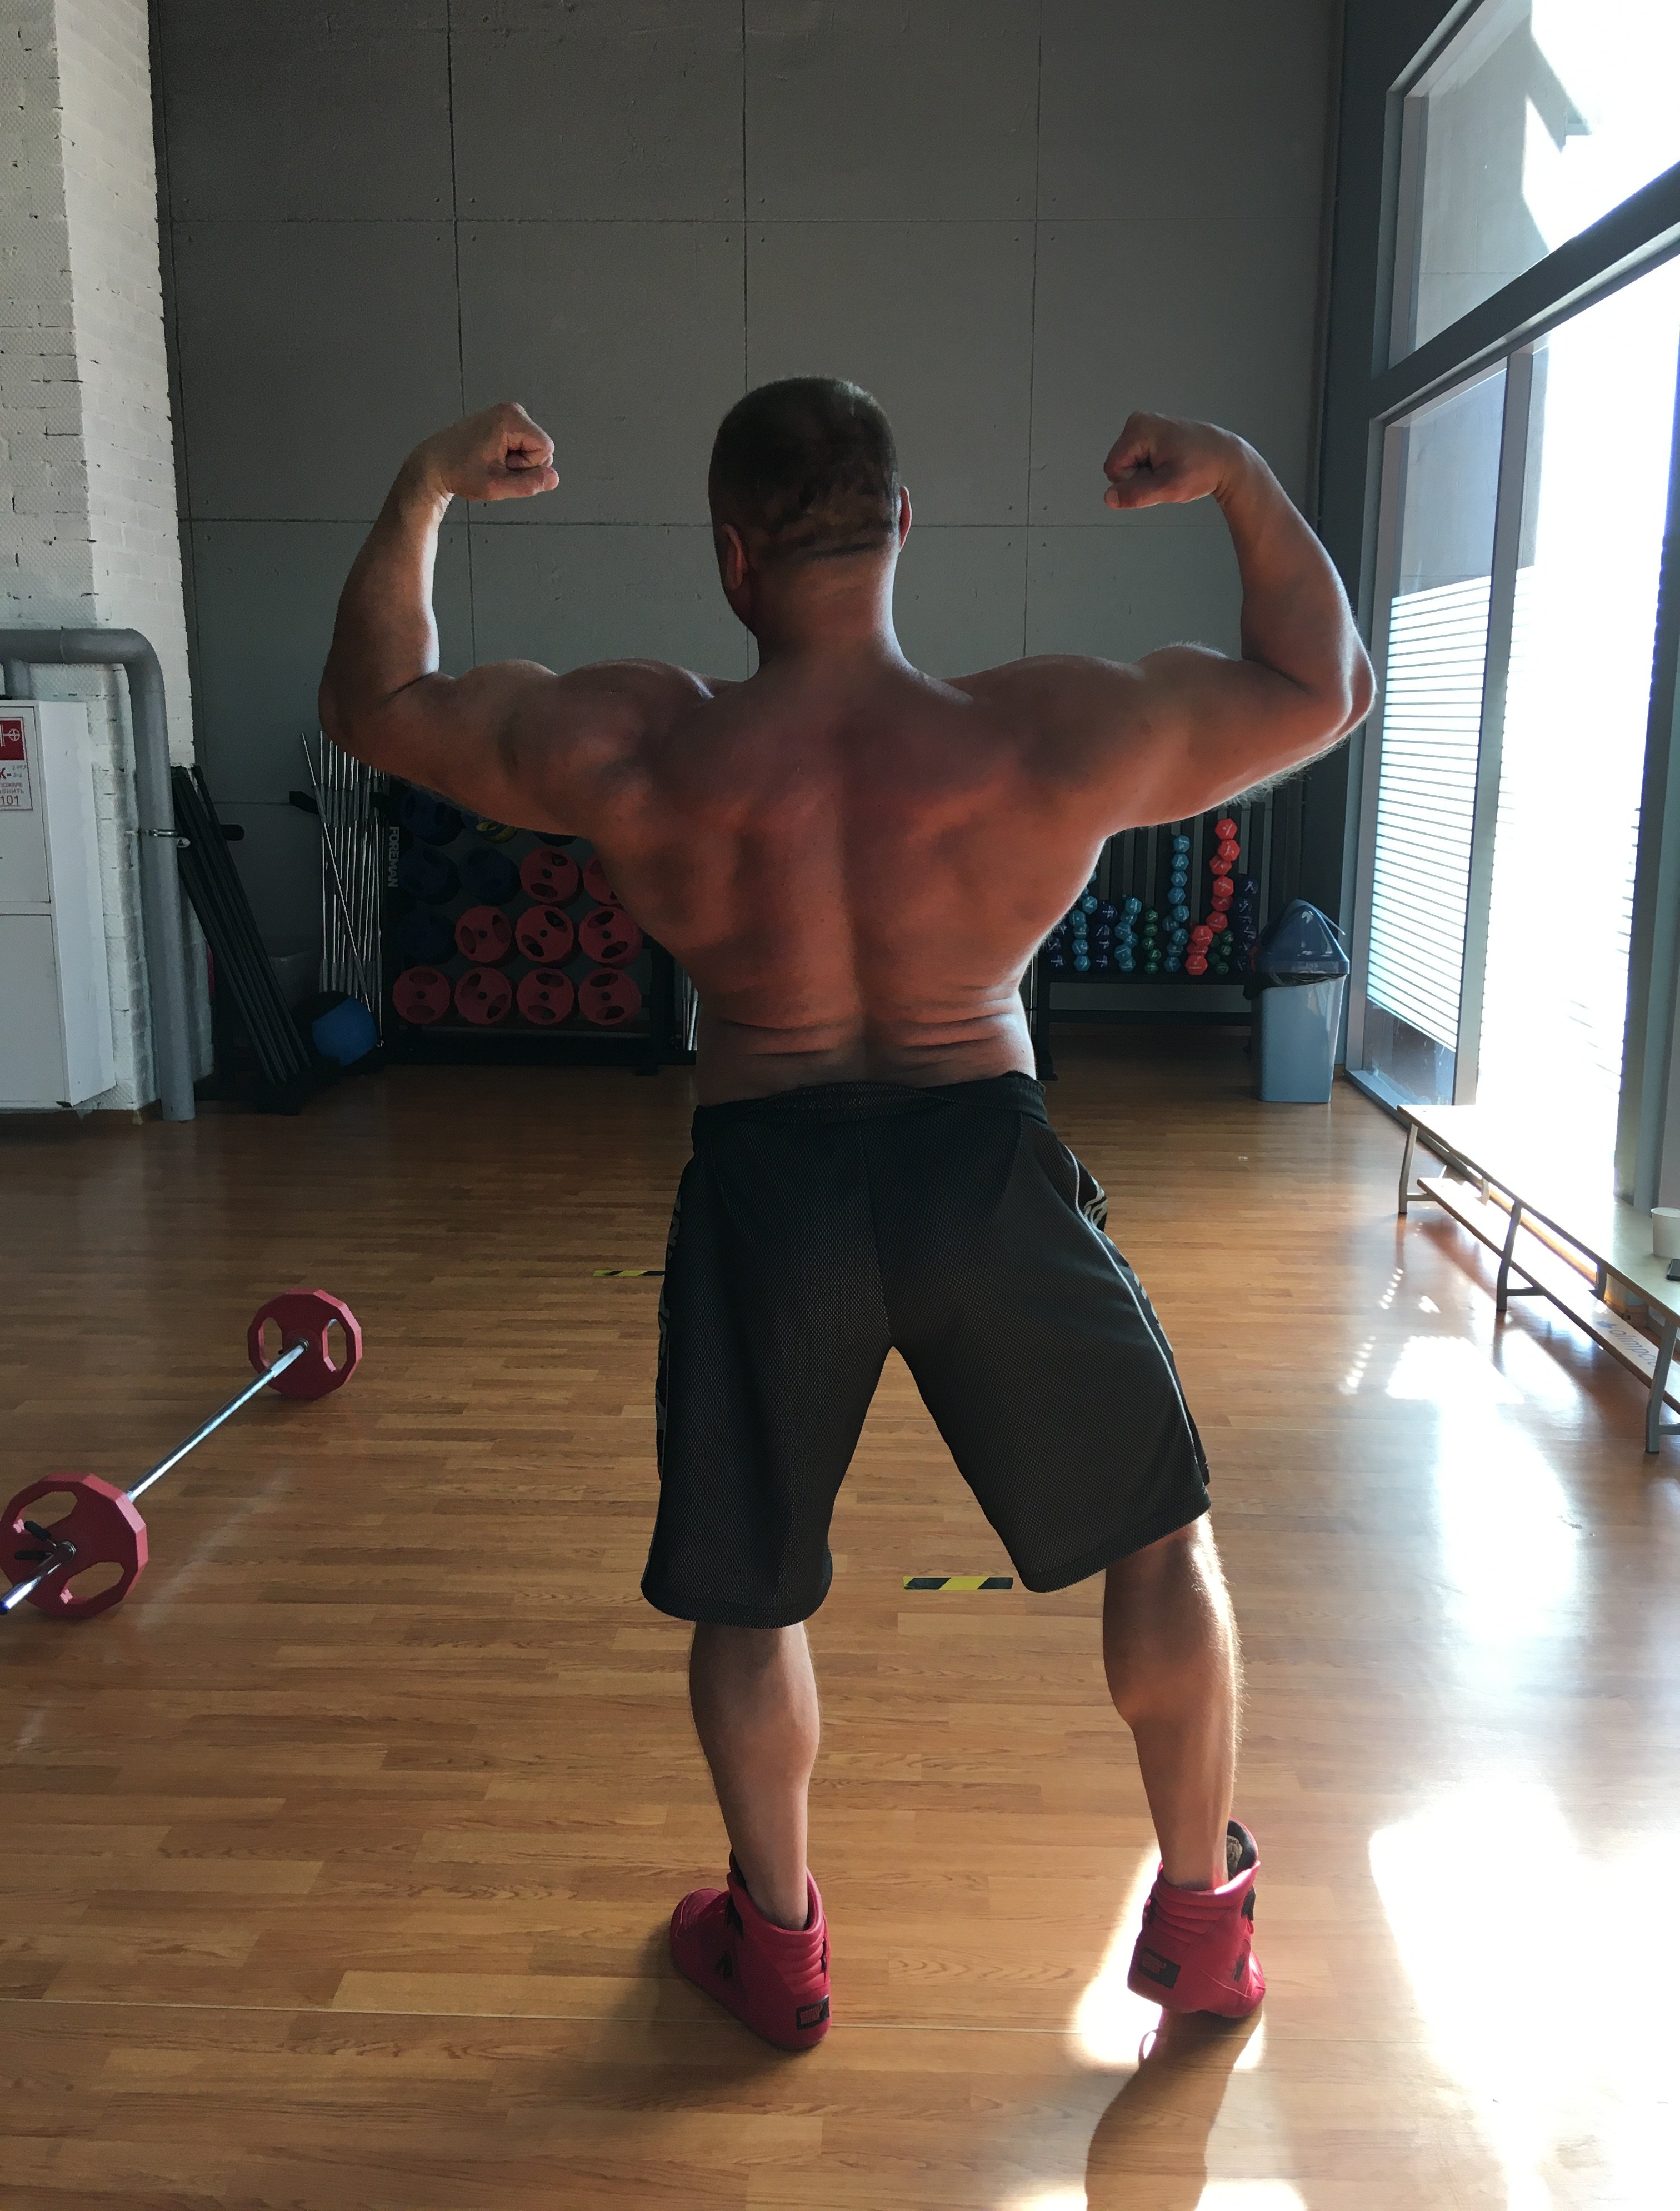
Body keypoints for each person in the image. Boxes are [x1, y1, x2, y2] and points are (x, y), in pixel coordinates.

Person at [320, 378, 1372, 2053]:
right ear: (902, 531)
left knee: (753, 1594)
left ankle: (779, 1949)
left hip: (770, 1179)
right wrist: (1239, 476)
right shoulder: (1039, 732)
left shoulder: (640, 744)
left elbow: (374, 702)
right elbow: (1327, 686)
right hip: (982, 1166)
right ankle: (1200, 1932)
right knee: (1159, 1541)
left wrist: (426, 486)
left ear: (730, 556)